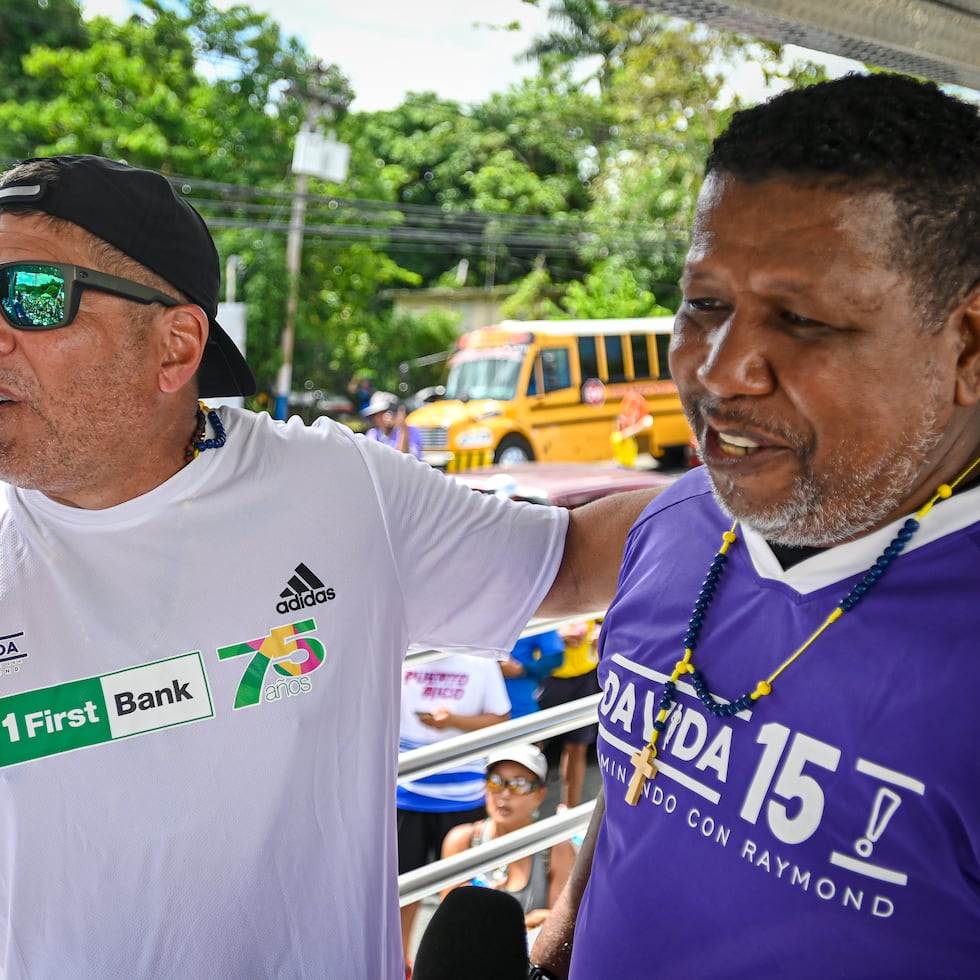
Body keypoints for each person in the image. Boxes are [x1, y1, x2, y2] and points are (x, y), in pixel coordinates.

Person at [0, 153, 656, 979]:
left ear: (176, 345)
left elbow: (571, 561)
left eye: (29, 296)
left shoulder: (340, 489)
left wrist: (766, 495)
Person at [529, 72, 980, 980]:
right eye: (703, 304)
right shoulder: (678, 522)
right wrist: (571, 922)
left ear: (967, 347)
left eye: (800, 318)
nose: (721, 369)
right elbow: (639, 773)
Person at [397, 653, 512, 967]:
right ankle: (399, 967)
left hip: (463, 795)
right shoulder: (403, 653)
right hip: (406, 794)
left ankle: (458, 969)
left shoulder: (479, 657)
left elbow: (500, 719)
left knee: (464, 896)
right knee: (402, 892)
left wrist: (452, 721)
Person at [440, 744, 576, 934]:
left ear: (539, 794)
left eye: (519, 785)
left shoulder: (558, 850)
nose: (504, 794)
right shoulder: (461, 841)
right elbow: (448, 923)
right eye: (496, 782)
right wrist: (521, 925)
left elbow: (559, 929)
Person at [536, 619, 600, 810]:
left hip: (585, 672)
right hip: (548, 674)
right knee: (534, 746)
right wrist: (555, 635)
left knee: (578, 745)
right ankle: (524, 812)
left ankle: (570, 811)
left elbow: (605, 617)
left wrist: (599, 632)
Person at [499, 627, 565, 720]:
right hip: (477, 714)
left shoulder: (527, 615)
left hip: (520, 709)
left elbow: (555, 658)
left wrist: (521, 670)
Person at [363, 389, 424, 459]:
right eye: (376, 415)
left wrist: (403, 430)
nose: (379, 418)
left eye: (383, 413)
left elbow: (406, 462)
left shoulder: (412, 430)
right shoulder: (373, 434)